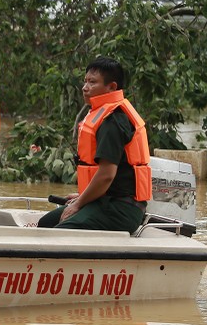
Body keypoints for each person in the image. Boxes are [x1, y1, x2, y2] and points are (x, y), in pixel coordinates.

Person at [38, 56, 152, 233]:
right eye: (85, 81)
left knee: (60, 232)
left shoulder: (112, 121)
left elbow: (106, 175)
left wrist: (78, 204)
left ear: (111, 87)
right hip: (106, 201)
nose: (85, 87)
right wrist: (83, 196)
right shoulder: (103, 115)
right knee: (46, 223)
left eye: (92, 82)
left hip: (121, 209)